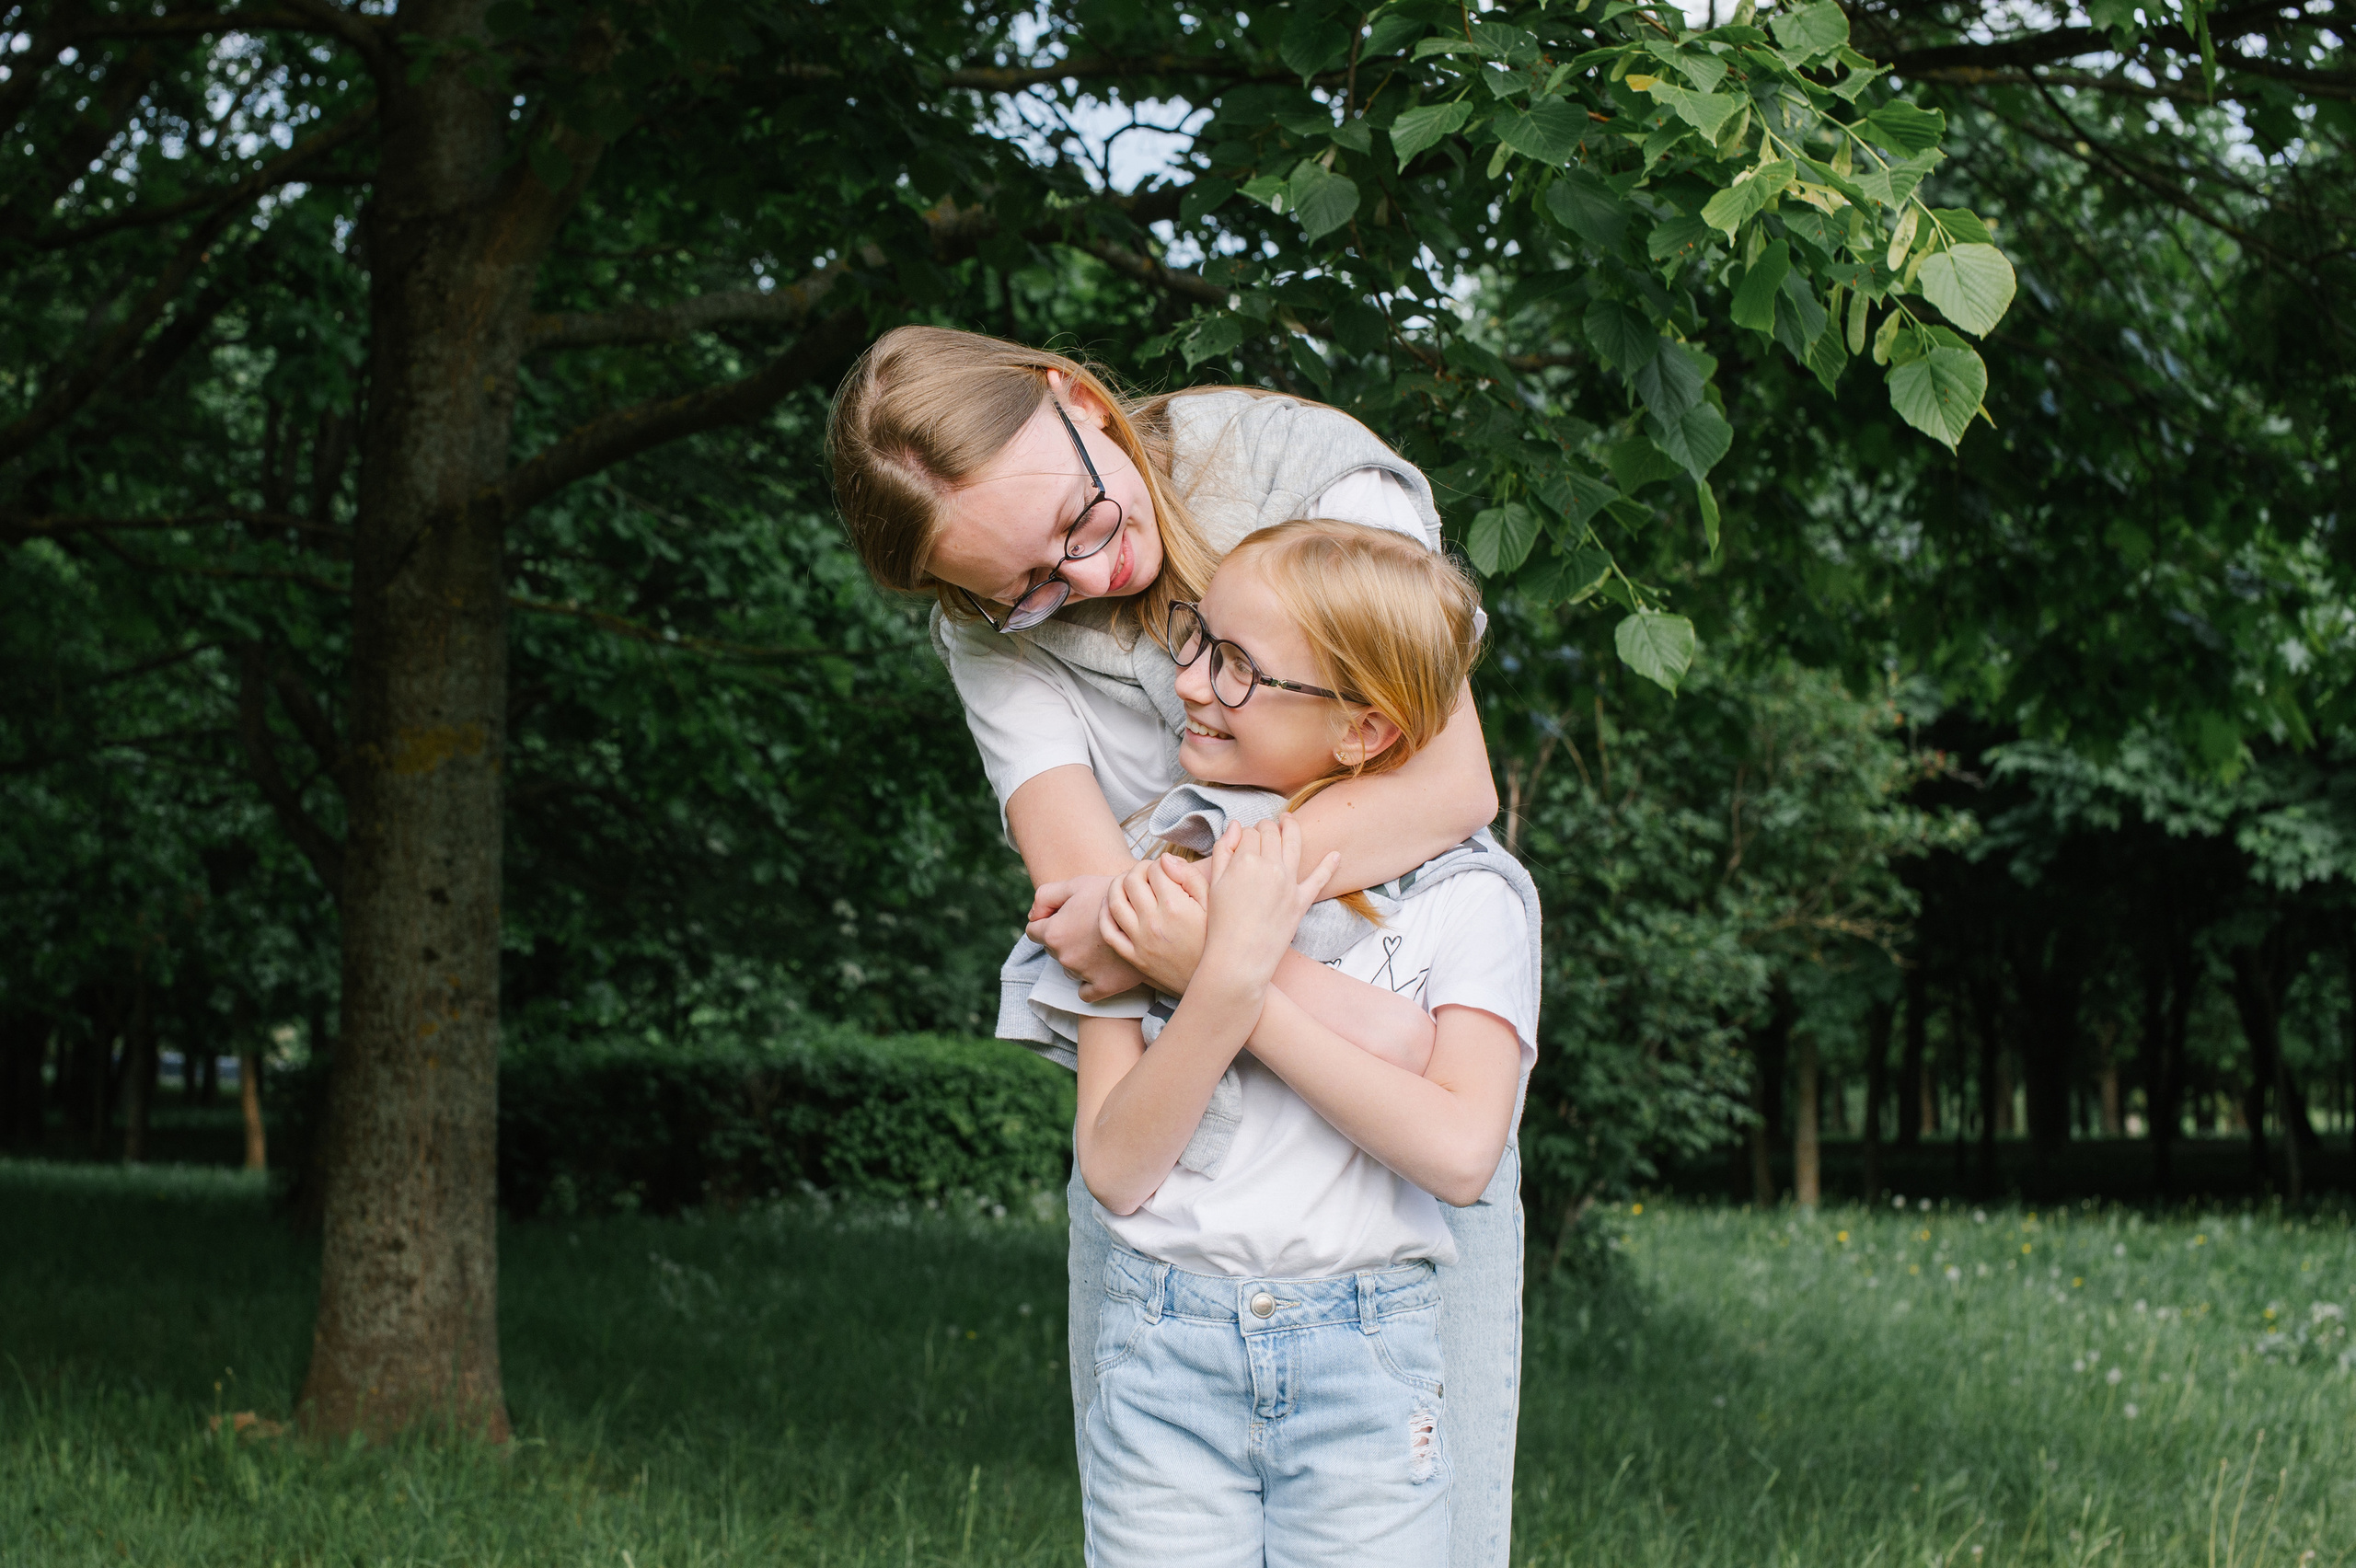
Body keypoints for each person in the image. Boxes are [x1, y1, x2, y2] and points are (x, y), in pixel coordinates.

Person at [827, 327, 1524, 1564]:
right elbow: (1084, 904)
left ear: (1075, 399)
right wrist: (1181, 927)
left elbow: (1442, 780)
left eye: (1082, 525)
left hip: (1389, 1101)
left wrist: (1205, 924)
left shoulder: (1312, 478)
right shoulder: (984, 630)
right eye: (1026, 587)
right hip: (1172, 1149)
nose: (1083, 581)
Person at [1072, 519, 1538, 1567]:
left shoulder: (1470, 900)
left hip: (1365, 1362)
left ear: (1363, 730)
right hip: (1163, 1346)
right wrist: (1224, 966)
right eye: (1196, 641)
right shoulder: (1154, 867)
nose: (1191, 683)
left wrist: (1233, 976)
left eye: (1238, 668)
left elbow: (1462, 1154)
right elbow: (1113, 1166)